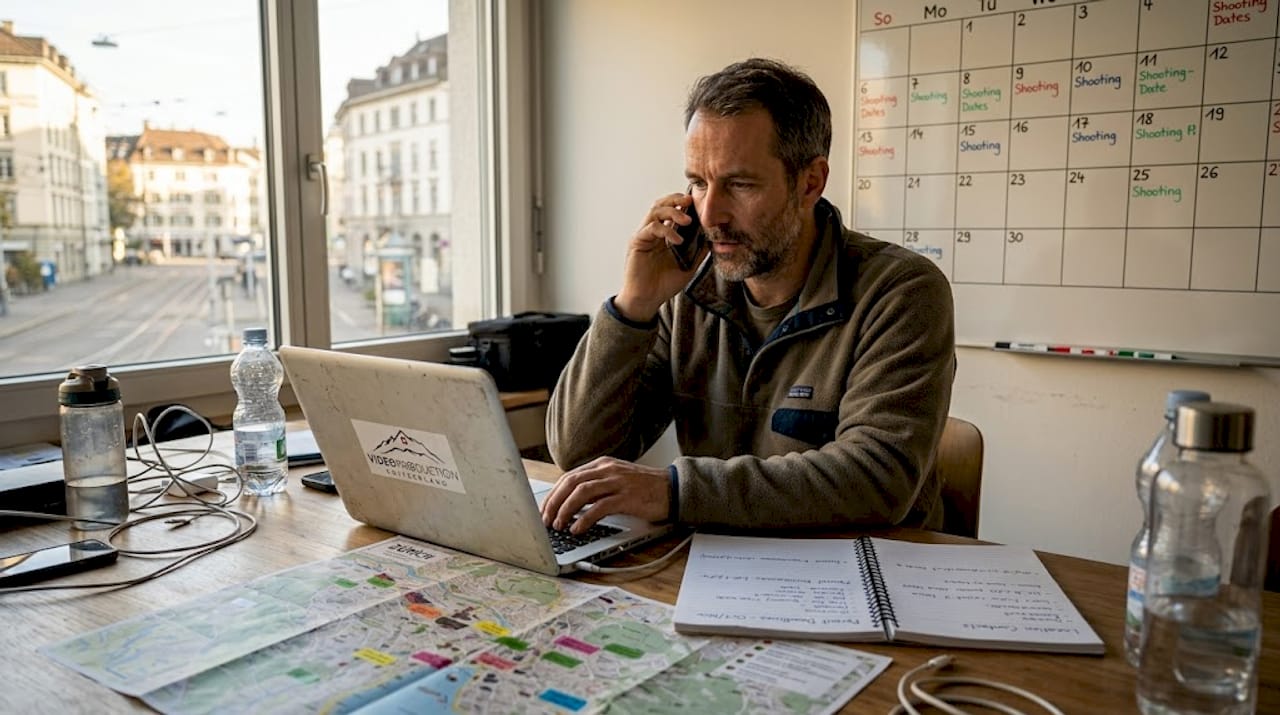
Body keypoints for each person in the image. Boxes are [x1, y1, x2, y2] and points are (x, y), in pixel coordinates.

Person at [541, 58, 955, 535]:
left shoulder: (902, 291)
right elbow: (578, 454)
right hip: (716, 566)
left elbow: (877, 478)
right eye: (698, 182)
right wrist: (633, 307)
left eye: (739, 184)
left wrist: (674, 491)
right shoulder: (687, 286)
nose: (710, 212)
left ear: (810, 183)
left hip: (859, 572)